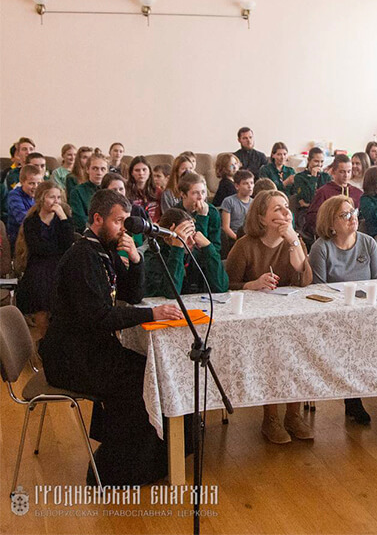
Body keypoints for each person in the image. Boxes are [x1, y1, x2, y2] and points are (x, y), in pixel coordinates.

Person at [39, 189, 185, 485]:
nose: (123, 227)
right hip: (70, 357)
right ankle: (112, 471)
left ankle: (150, 457)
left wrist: (135, 258)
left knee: (151, 372)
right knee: (142, 381)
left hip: (90, 349)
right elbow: (99, 317)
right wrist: (151, 315)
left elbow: (132, 295)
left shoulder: (101, 249)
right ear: (97, 219)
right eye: (118, 221)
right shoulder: (82, 256)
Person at [225, 190, 314, 443]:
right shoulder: (245, 246)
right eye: (277, 209)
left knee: (299, 350)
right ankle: (271, 417)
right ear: (262, 218)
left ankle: (293, 415)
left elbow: (305, 279)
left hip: (289, 317)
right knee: (272, 354)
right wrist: (252, 284)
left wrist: (293, 240)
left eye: (286, 207)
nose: (285, 212)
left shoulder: (293, 241)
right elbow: (226, 284)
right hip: (256, 323)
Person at [309, 195, 377, 425]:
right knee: (352, 338)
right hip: (335, 314)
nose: (352, 218)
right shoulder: (321, 248)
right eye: (344, 215)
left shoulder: (368, 242)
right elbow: (318, 290)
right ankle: (353, 399)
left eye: (353, 212)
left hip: (366, 310)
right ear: (330, 223)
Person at [14, 181, 75, 337]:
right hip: (38, 264)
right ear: (42, 199)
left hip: (60, 263)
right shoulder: (31, 222)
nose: (56, 201)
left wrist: (62, 217)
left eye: (58, 197)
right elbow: (38, 248)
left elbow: (68, 244)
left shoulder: (64, 220)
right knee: (41, 283)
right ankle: (43, 335)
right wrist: (58, 248)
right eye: (51, 197)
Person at [145, 208, 229, 297]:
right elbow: (171, 294)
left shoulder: (195, 252)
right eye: (185, 236)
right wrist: (177, 248)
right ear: (168, 237)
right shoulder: (153, 256)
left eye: (192, 234)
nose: (192, 241)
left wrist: (208, 247)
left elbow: (221, 287)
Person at [304, 154, 362, 237]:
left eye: (349, 171)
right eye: (342, 171)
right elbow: (312, 218)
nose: (346, 175)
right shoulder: (324, 192)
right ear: (334, 171)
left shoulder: (357, 193)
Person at [175, 172, 222, 253]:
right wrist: (202, 217)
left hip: (207, 256)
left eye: (203, 192)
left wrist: (203, 216)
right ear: (183, 194)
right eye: (195, 193)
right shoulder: (175, 213)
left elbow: (216, 246)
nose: (201, 197)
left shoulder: (212, 211)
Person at [7, 164, 42, 253]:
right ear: (22, 182)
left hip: (36, 233)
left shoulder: (39, 195)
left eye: (39, 183)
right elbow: (22, 219)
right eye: (31, 183)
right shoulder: (14, 195)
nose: (36, 187)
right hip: (18, 236)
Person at [70, 152, 109, 232]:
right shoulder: (77, 191)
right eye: (95, 168)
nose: (99, 173)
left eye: (103, 169)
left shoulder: (112, 190)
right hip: (89, 232)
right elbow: (80, 220)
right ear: (87, 169)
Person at [220, 169, 254, 252]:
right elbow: (226, 227)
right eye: (245, 183)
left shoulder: (254, 202)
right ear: (237, 186)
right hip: (234, 238)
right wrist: (238, 239)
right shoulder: (229, 201)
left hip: (250, 237)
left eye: (252, 183)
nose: (250, 186)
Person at [294, 147, 332, 211]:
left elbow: (328, 199)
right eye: (316, 161)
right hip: (306, 212)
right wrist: (313, 177)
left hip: (324, 211)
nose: (319, 165)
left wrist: (309, 204)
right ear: (309, 160)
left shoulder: (326, 177)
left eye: (322, 161)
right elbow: (307, 199)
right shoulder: (299, 177)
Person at [125, 156, 160, 222]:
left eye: (144, 170)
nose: (141, 173)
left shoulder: (158, 192)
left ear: (149, 172)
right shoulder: (125, 191)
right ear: (131, 173)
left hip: (156, 227)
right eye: (137, 170)